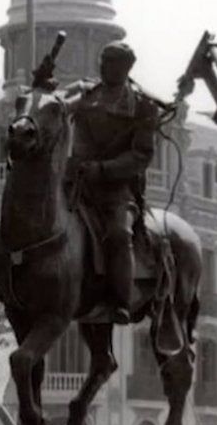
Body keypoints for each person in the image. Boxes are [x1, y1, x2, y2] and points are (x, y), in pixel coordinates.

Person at [65, 42, 171, 324]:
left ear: (125, 68)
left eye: (110, 61)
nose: (103, 66)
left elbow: (140, 155)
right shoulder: (88, 96)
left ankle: (120, 300)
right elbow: (68, 117)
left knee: (119, 234)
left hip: (118, 188)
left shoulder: (142, 106)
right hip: (80, 181)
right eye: (102, 60)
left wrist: (103, 169)